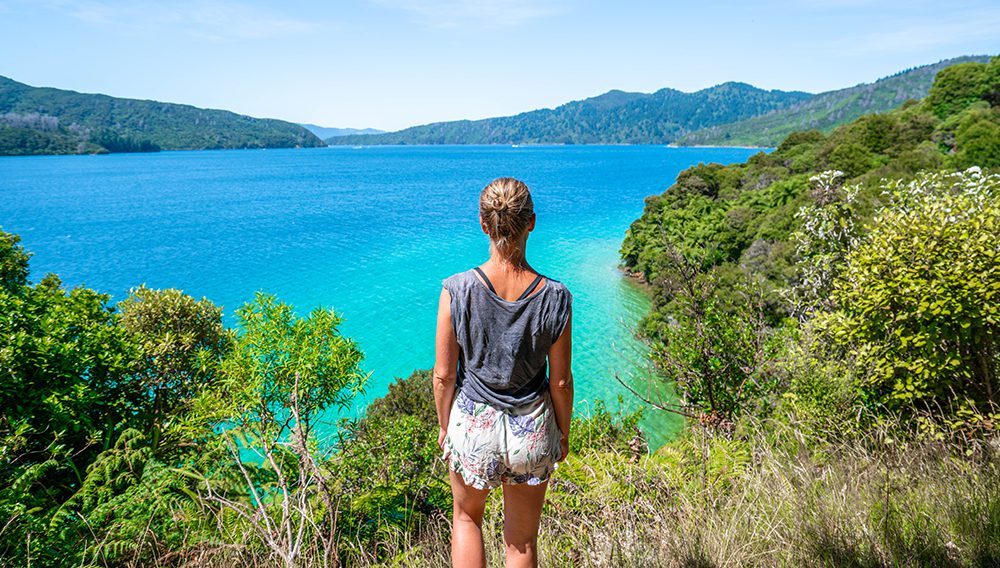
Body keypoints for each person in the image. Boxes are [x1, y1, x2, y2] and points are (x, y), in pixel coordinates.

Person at [433, 177, 573, 568]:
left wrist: (446, 426)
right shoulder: (556, 297)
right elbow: (560, 381)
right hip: (532, 428)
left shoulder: (456, 290)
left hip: (474, 426)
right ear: (531, 222)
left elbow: (444, 375)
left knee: (466, 520)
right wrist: (563, 431)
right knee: (522, 543)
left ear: (483, 224)